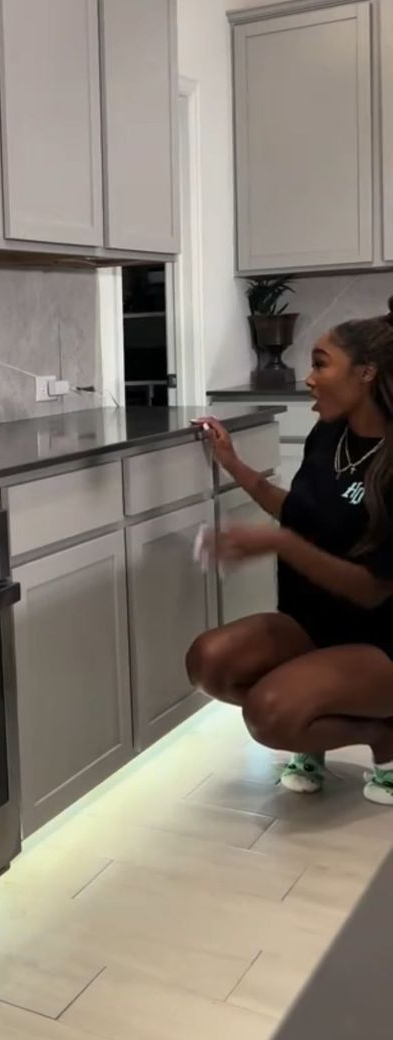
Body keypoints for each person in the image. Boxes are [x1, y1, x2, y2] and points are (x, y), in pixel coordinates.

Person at [187, 302, 393, 805]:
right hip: (309, 623)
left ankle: (385, 735)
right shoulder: (328, 435)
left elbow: (371, 591)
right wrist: (232, 463)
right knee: (209, 662)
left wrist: (279, 543)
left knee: (271, 714)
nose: (308, 378)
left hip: (382, 642)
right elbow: (301, 512)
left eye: (321, 363)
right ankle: (320, 723)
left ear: (366, 373)